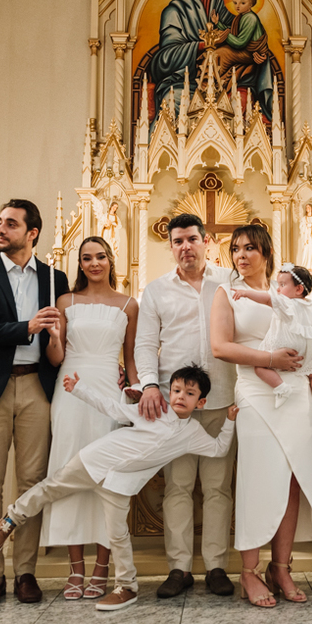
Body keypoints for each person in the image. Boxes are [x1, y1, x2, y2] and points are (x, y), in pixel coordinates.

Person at [0, 365, 237, 612]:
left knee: (118, 535)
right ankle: (11, 518)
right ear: (169, 392)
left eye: (189, 394)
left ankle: (126, 586)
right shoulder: (154, 410)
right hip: (95, 460)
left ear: (200, 403)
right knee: (49, 487)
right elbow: (113, 409)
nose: (181, 397)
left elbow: (218, 449)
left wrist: (229, 422)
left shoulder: (193, 433)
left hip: (120, 484)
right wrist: (79, 389)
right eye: (177, 390)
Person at [0, 199, 69, 608]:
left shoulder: (55, 278)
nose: (1, 229)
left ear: (32, 233)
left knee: (32, 483)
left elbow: (61, 337)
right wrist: (26, 328)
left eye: (11, 224)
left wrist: (55, 337)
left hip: (38, 387)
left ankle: (26, 572)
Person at [134, 213, 248, 599]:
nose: (186, 247)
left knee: (218, 488)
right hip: (177, 405)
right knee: (178, 487)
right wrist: (150, 384)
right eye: (178, 241)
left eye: (192, 239)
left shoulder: (230, 282)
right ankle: (179, 568)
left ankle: (217, 566)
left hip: (220, 401)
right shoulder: (156, 291)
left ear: (207, 242)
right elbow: (146, 344)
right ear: (170, 247)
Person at [211, 224, 312, 608]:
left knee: (291, 477)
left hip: (294, 393)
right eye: (236, 249)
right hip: (255, 391)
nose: (242, 255)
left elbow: (311, 331)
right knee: (258, 478)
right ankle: (249, 571)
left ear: (266, 252)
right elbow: (220, 347)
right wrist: (269, 358)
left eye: (250, 248)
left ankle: (281, 566)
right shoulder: (227, 293)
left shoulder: (288, 293)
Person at [41, 236, 137, 601]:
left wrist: (134, 391)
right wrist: (53, 335)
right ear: (78, 264)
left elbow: (129, 360)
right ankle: (75, 569)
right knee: (68, 471)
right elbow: (55, 357)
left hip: (108, 393)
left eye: (100, 256)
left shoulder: (129, 305)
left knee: (105, 477)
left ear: (111, 260)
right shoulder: (65, 302)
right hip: (70, 389)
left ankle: (102, 567)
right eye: (86, 258)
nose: (93, 263)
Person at [148, 0, 272, 123]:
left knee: (240, 105)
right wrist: (201, 45)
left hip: (226, 84)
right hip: (186, 84)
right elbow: (162, 61)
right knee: (175, 102)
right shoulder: (175, 10)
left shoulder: (231, 7)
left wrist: (258, 55)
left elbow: (247, 40)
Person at [230, 263, 312, 410]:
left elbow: (265, 299)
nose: (278, 289)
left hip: (287, 346)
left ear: (299, 289)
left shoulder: (286, 302)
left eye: (282, 284)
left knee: (259, 367)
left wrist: (246, 293)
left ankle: (281, 388)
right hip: (306, 349)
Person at [213, 0, 268, 92]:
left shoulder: (250, 18)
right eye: (235, 3)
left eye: (242, 3)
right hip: (245, 51)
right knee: (216, 52)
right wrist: (217, 23)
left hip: (249, 53)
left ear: (251, 4)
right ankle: (215, 83)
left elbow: (240, 43)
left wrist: (225, 36)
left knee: (220, 53)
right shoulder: (242, 16)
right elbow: (232, 32)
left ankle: (214, 84)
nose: (237, 6)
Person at [298, 202, 312, 272]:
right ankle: (306, 266)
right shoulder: (304, 219)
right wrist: (306, 226)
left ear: (311, 209)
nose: (307, 209)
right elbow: (301, 228)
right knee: (306, 251)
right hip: (307, 238)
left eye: (308, 207)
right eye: (306, 208)